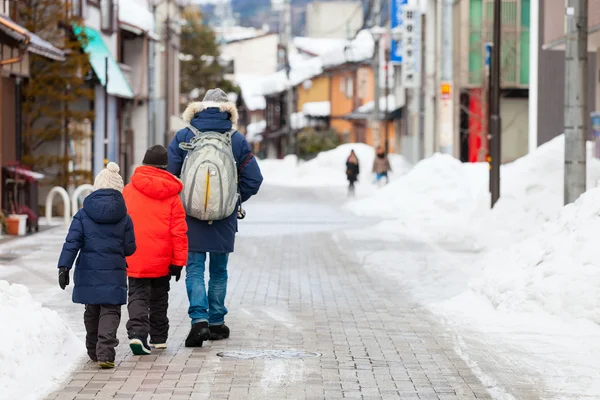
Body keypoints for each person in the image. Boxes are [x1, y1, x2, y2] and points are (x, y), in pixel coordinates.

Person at [168, 88, 263, 347]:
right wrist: (234, 197)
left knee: (195, 270)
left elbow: (169, 177)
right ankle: (217, 322)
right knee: (219, 271)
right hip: (224, 217)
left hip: (191, 216)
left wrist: (184, 200)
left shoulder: (184, 136)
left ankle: (199, 320)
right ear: (227, 111)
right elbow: (255, 179)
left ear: (199, 108)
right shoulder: (236, 140)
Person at [57, 162, 136, 369]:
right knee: (110, 311)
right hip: (114, 273)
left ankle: (93, 349)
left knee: (92, 310)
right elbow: (129, 249)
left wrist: (64, 267)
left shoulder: (83, 214)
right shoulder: (125, 217)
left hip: (88, 273)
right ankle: (106, 353)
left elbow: (72, 242)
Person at [122, 145, 188, 355]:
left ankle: (138, 335)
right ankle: (159, 338)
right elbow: (179, 231)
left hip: (134, 254)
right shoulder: (172, 194)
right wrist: (179, 262)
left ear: (144, 163)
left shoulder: (128, 190)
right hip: (162, 258)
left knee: (138, 295)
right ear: (164, 166)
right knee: (159, 297)